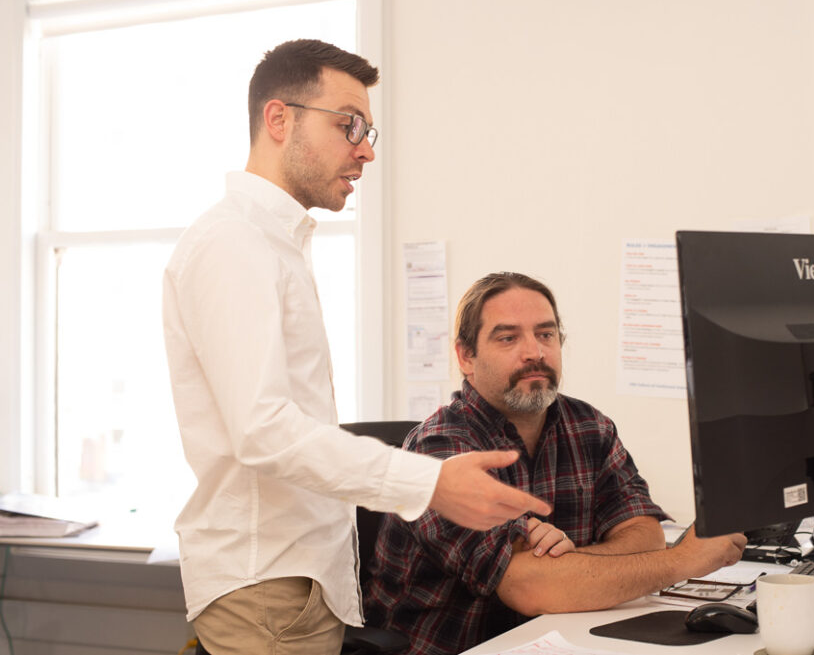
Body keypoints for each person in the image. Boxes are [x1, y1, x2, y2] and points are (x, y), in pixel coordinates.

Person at [162, 41, 551, 655]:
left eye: (368, 129)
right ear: (279, 119)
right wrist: (430, 484)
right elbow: (262, 430)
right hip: (269, 590)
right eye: (350, 125)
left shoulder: (273, 242)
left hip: (297, 586)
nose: (366, 148)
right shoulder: (235, 243)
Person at [364, 272, 748, 655]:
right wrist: (682, 561)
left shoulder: (588, 426)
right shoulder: (439, 449)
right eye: (508, 337)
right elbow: (528, 587)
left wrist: (561, 568)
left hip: (560, 641)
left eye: (546, 334)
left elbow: (644, 536)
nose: (534, 352)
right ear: (466, 356)